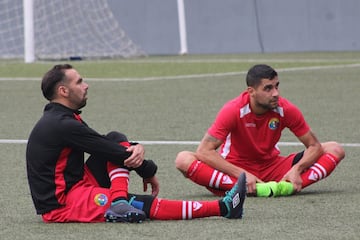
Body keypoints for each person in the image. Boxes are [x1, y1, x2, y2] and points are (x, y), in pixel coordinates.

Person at [26, 64, 246, 223]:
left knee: (115, 138)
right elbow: (112, 152)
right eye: (79, 82)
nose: (86, 85)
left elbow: (108, 144)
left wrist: (135, 147)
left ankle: (118, 201)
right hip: (62, 204)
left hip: (77, 185)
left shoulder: (63, 118)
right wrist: (147, 169)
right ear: (63, 91)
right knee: (139, 203)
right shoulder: (62, 124)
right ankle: (223, 208)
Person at [175, 64, 345, 197]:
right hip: (235, 170)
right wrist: (242, 175)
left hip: (272, 167)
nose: (276, 93)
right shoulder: (233, 110)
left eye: (277, 86)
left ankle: (285, 186)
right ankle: (249, 187)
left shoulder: (285, 109)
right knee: (183, 159)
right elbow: (204, 151)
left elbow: (314, 146)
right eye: (268, 88)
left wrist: (297, 169)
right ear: (251, 91)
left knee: (335, 149)